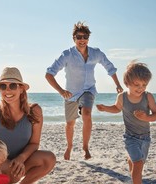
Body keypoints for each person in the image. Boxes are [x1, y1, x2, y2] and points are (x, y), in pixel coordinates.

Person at [45, 21, 123, 160]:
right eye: (79, 37)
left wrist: (117, 84)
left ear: (88, 38)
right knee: (70, 124)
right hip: (70, 93)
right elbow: (49, 74)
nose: (82, 40)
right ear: (73, 38)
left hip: (88, 90)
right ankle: (69, 146)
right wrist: (61, 91)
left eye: (85, 37)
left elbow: (110, 67)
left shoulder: (96, 53)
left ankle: (85, 147)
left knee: (86, 113)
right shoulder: (67, 55)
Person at [0, 67, 56, 184]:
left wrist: (21, 159)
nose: (8, 90)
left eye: (12, 85)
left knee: (49, 158)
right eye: (3, 86)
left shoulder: (35, 110)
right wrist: (9, 163)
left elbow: (34, 143)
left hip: (23, 161)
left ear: (21, 89)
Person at [96, 61, 156, 184]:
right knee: (138, 163)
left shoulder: (148, 97)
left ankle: (130, 160)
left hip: (145, 138)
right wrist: (106, 108)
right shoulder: (122, 97)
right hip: (130, 137)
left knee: (138, 163)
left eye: (144, 85)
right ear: (127, 83)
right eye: (137, 85)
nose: (141, 88)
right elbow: (117, 108)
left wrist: (146, 117)